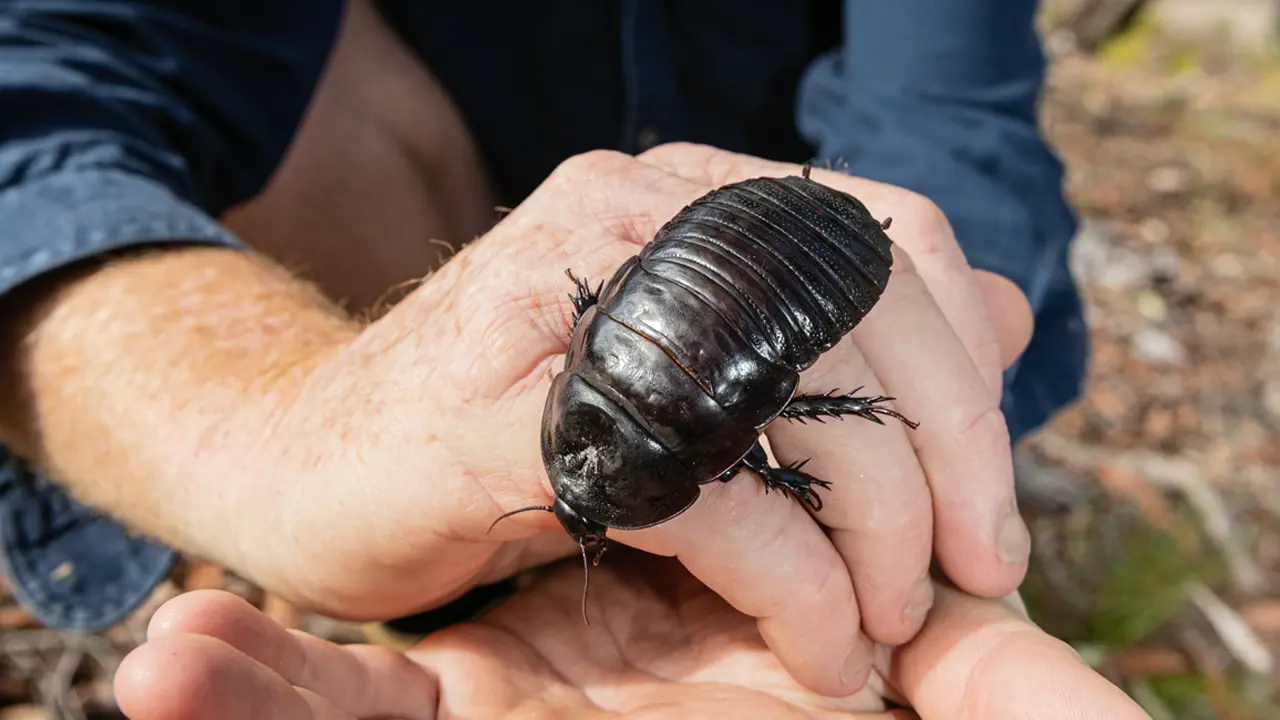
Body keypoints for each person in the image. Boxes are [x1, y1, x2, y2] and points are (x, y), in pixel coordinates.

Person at [0, 0, 1088, 705]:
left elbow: (953, 103)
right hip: (686, 285)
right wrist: (275, 424)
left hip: (784, 267)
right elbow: (46, 89)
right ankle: (424, 601)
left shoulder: (695, 429)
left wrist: (936, 414)